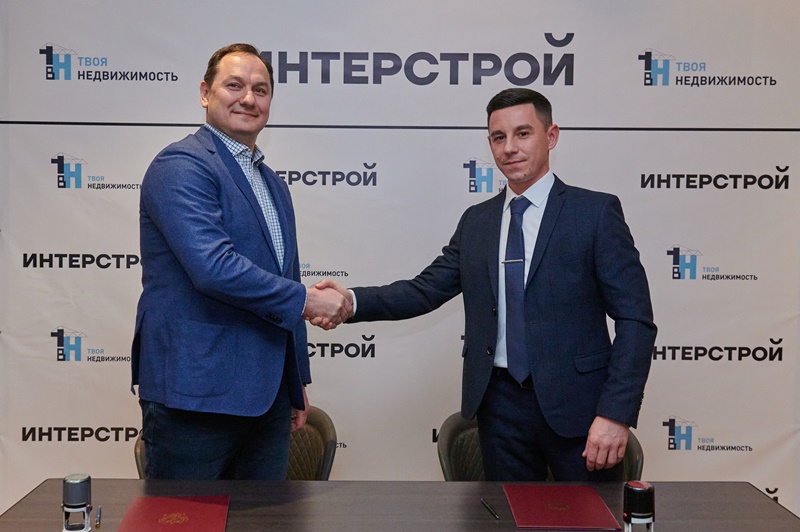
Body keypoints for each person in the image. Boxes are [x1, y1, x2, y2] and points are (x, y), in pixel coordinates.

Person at [315, 88, 656, 481]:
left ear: (551, 136)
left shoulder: (595, 213)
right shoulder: (477, 221)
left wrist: (615, 413)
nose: (509, 147)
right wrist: (350, 301)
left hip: (581, 409)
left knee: (590, 514)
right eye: (498, 137)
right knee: (505, 513)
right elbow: (424, 290)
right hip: (499, 409)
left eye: (523, 133)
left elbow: (635, 320)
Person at [130, 43, 351, 480]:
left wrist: (295, 383)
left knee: (265, 515)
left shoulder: (272, 183)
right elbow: (213, 268)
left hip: (267, 397)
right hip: (196, 394)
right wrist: (308, 300)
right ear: (205, 93)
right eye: (234, 85)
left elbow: (285, 276)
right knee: (185, 515)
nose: (249, 98)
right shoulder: (181, 165)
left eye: (261, 90)